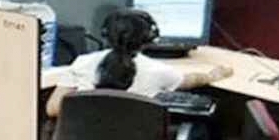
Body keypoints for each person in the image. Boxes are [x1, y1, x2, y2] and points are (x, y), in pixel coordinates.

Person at [46, 9, 232, 117]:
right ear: (149, 38)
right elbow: (190, 80)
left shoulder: (82, 63)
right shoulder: (158, 71)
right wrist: (212, 75)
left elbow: (52, 109)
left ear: (105, 34)